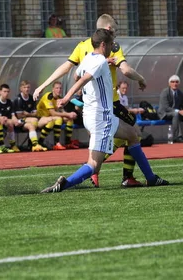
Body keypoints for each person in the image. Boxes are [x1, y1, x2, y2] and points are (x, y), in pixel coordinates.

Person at [40, 29, 169, 193]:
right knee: (93, 166)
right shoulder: (100, 61)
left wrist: (83, 91)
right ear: (103, 45)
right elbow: (85, 78)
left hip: (93, 115)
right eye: (109, 45)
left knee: (132, 134)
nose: (111, 48)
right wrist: (66, 98)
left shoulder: (88, 58)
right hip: (102, 118)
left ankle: (151, 178)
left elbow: (76, 75)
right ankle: (64, 184)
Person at [36, 81, 79, 150]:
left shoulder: (59, 98)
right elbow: (53, 113)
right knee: (58, 118)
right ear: (53, 89)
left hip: (50, 117)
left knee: (69, 119)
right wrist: (67, 114)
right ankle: (44, 142)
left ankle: (68, 143)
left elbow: (62, 111)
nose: (59, 90)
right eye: (57, 88)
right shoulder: (48, 97)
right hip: (39, 118)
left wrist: (70, 115)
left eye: (60, 88)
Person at [13, 80, 54, 152]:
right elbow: (20, 116)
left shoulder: (32, 98)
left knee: (50, 120)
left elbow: (35, 114)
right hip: (20, 122)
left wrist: (28, 114)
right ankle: (33, 144)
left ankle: (40, 141)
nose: (26, 89)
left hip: (32, 120)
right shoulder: (18, 99)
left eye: (28, 87)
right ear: (21, 88)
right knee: (34, 121)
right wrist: (30, 115)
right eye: (24, 87)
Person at [0, 84, 24, 153]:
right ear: (0, 92)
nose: (6, 93)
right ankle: (10, 145)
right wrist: (11, 120)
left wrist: (15, 120)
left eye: (8, 91)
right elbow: (0, 118)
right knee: (10, 123)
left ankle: (13, 146)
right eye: (4, 91)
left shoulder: (10, 102)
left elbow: (13, 115)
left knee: (21, 121)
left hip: (8, 121)